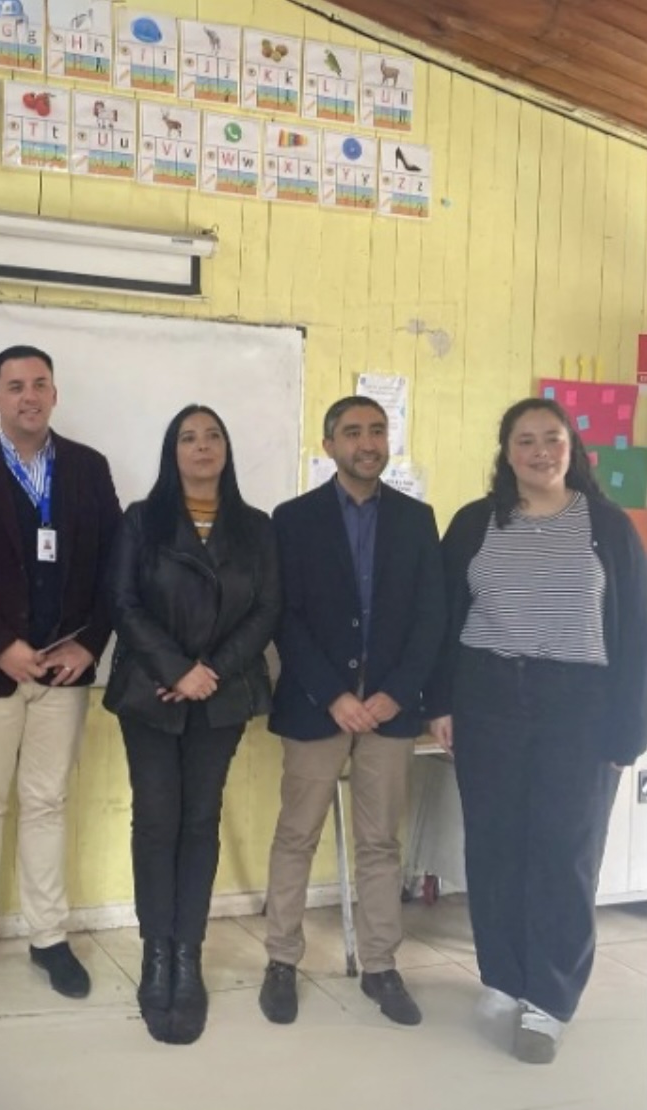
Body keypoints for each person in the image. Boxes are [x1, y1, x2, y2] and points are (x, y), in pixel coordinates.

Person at [426, 398, 647, 1064]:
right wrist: (441, 701)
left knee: (564, 850)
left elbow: (636, 632)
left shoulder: (608, 527)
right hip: (488, 693)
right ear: (506, 452)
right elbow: (443, 617)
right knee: (494, 843)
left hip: (577, 704)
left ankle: (549, 999)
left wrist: (627, 731)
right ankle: (502, 975)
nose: (541, 451)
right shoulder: (474, 523)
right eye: (526, 441)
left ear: (572, 450)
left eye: (553, 439)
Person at [0, 344, 121, 1005]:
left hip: (64, 671)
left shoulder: (89, 469)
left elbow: (115, 569)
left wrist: (90, 644)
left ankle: (48, 937)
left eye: (40, 384)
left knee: (46, 803)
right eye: (15, 386)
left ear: (55, 394)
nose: (29, 395)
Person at [260, 395, 443, 1028]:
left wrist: (397, 691)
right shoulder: (293, 518)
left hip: (390, 708)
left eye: (377, 429)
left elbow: (431, 616)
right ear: (329, 443)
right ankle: (281, 959)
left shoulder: (417, 520)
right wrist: (332, 693)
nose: (368, 442)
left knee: (379, 843)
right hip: (319, 706)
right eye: (353, 432)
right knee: (296, 835)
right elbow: (284, 615)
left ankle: (381, 967)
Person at [104, 405, 280, 1045]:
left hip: (221, 696)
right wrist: (176, 668)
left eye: (213, 437)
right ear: (170, 451)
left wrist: (210, 670)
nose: (202, 447)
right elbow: (121, 601)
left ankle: (188, 957)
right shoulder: (141, 519)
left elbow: (267, 608)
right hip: (152, 693)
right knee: (156, 822)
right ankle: (156, 955)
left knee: (200, 822)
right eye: (188, 437)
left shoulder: (256, 527)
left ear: (226, 450)